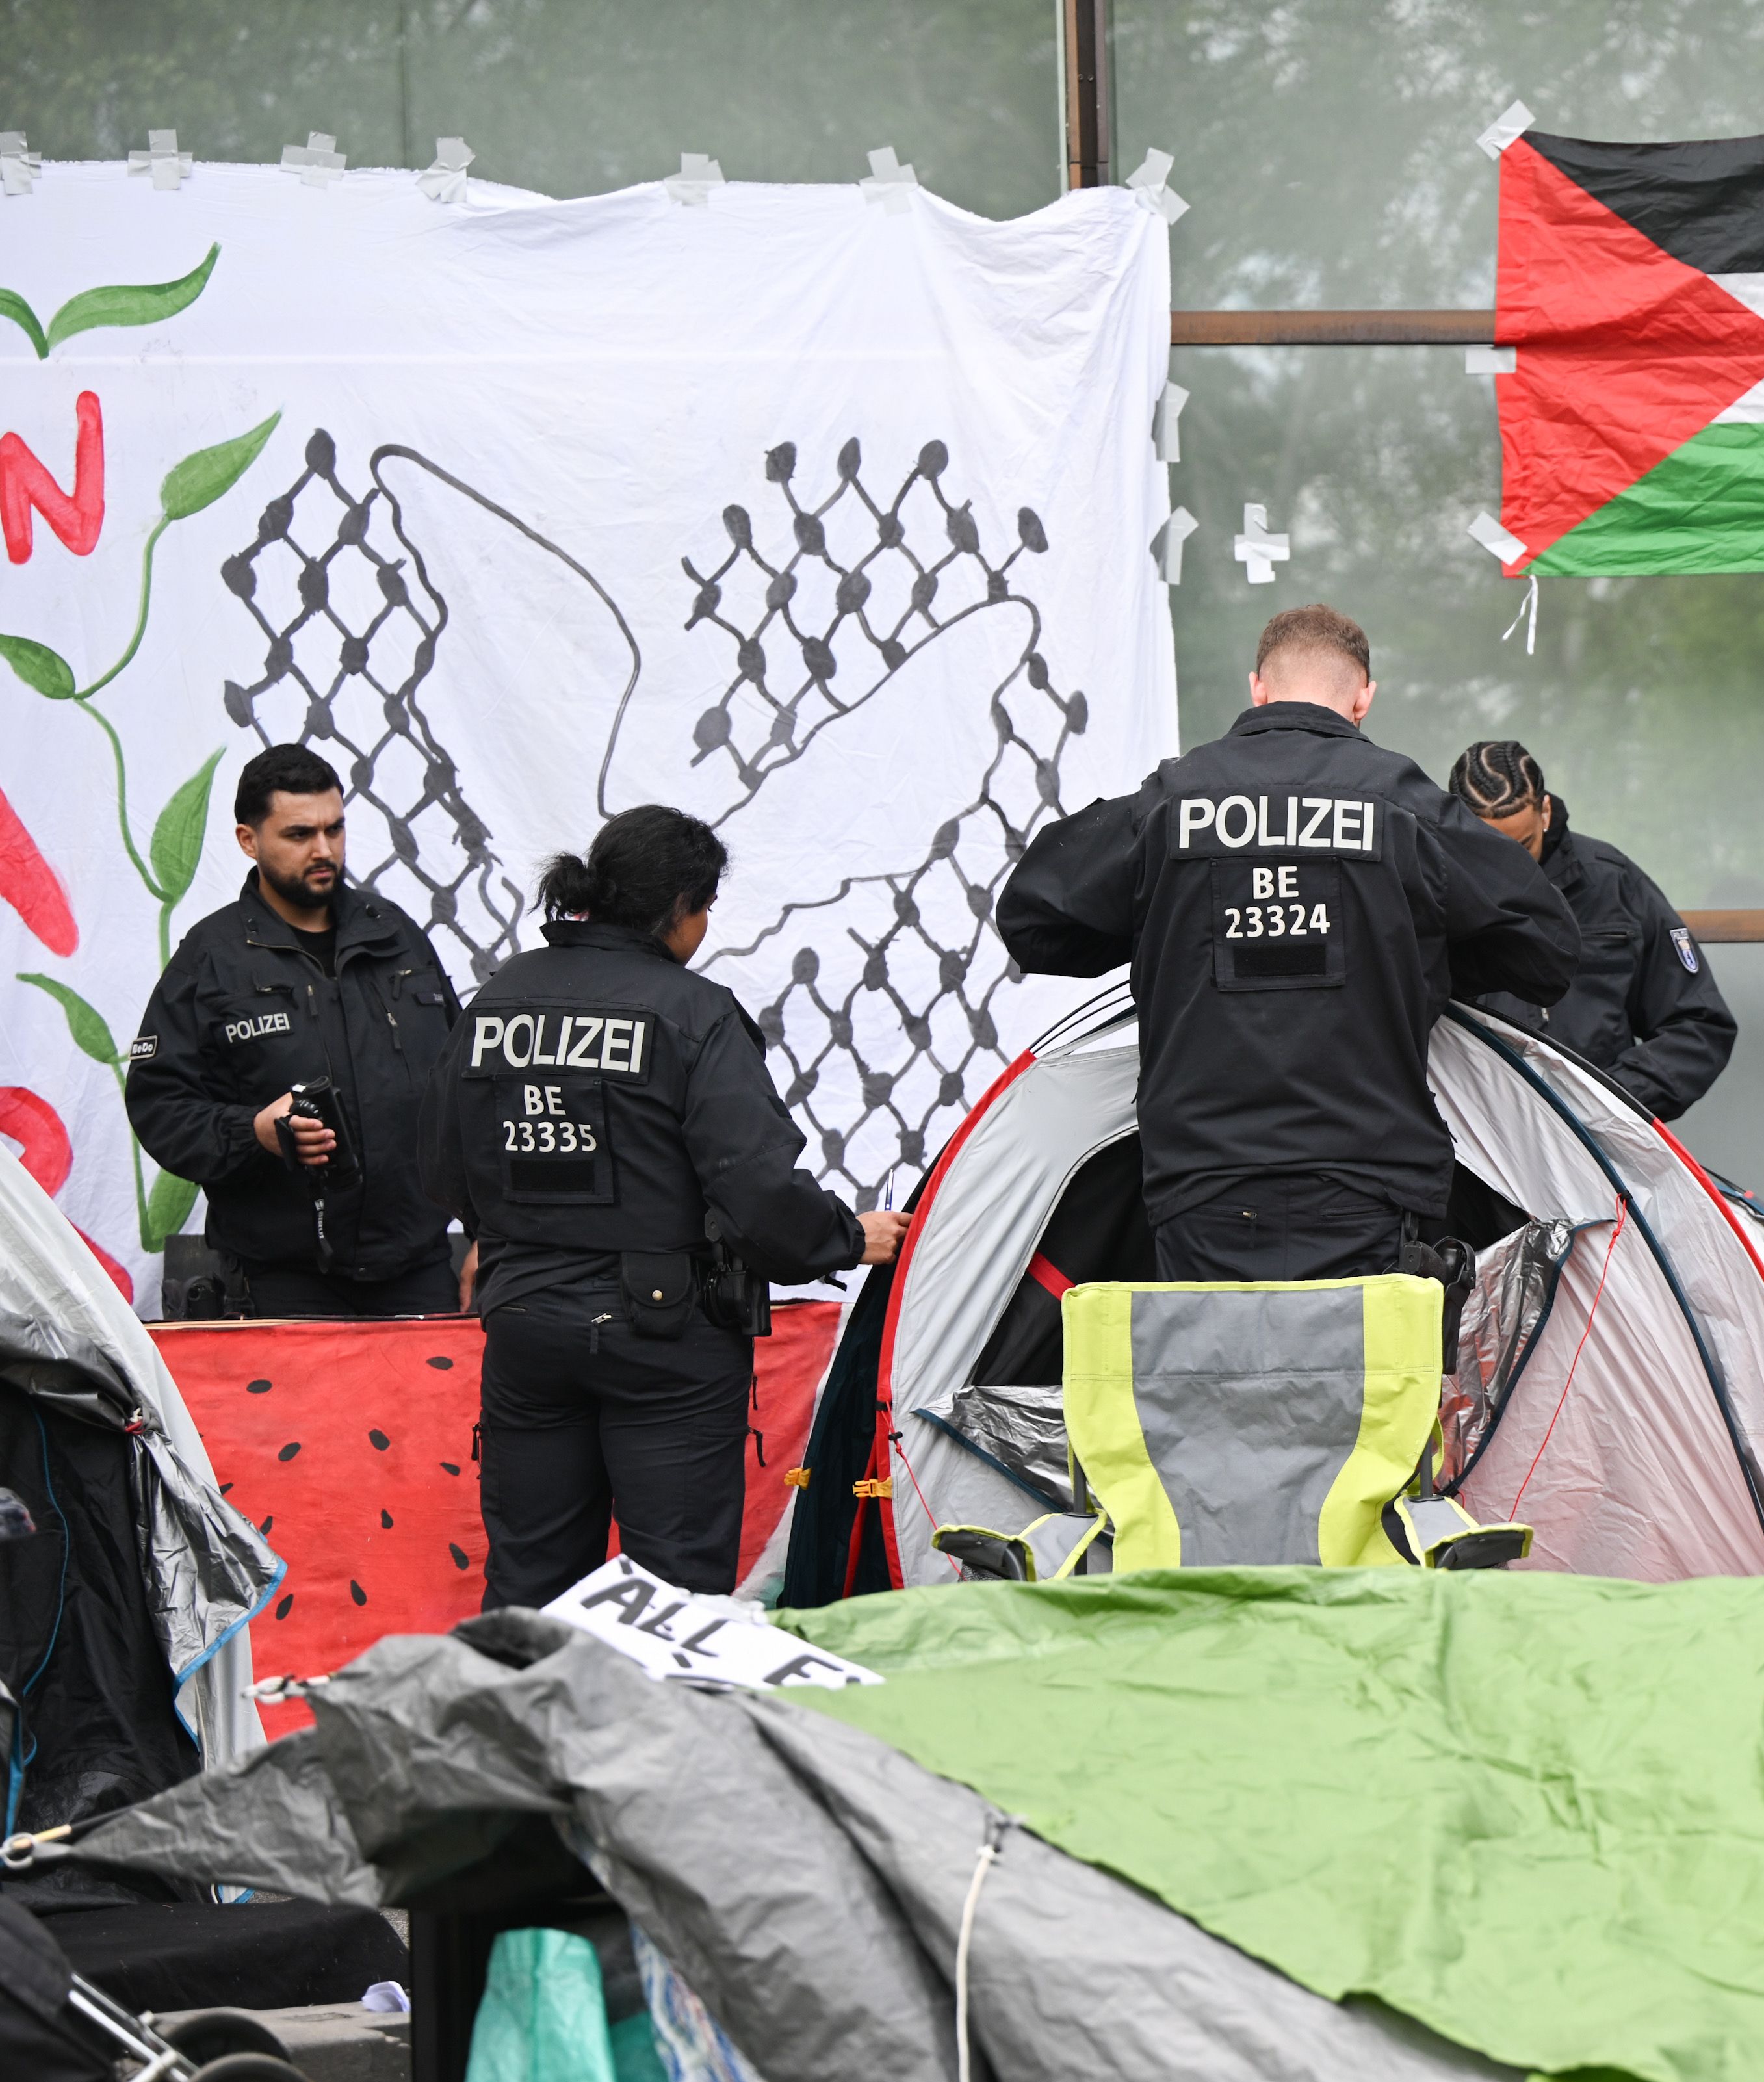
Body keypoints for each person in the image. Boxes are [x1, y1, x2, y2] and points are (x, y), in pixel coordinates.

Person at [998, 605, 1579, 1279]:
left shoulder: (1171, 803)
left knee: (1211, 1379)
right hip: (1368, 1179)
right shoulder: (1404, 808)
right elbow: (1549, 949)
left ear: (1258, 688)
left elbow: (1032, 922)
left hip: (1201, 1181)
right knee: (1365, 1382)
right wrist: (1417, 954)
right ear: (1364, 698)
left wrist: (1162, 928)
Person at [445, 806, 903, 1610]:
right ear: (682, 907)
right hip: (666, 1342)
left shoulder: (498, 1001)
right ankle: (668, 1739)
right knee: (676, 1593)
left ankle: (517, 1735)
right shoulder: (693, 1011)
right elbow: (758, 1195)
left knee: (529, 1585)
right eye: (705, 909)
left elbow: (442, 1164)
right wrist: (844, 1236)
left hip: (525, 1325)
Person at [123, 745, 463, 1316]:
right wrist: (252, 1131)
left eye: (335, 829)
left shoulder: (398, 938)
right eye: (300, 834)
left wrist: (487, 1237)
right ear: (248, 841)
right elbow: (161, 1105)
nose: (324, 850)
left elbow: (467, 1092)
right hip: (281, 1284)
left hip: (419, 1272)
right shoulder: (212, 958)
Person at [1449, 739, 1737, 1122]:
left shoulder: (1613, 884)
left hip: (1596, 1159)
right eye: (1488, 849)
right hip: (1469, 1153)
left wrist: (1606, 1105)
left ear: (1545, 811)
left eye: (1523, 845)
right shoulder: (1425, 890)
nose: (1508, 864)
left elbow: (1698, 1028)